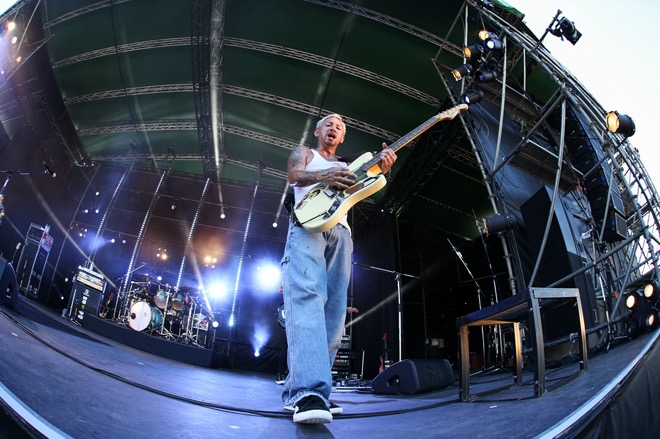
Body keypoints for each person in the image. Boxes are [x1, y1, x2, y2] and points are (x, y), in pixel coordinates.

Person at [281, 113, 396, 424]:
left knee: (334, 316)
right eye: (329, 124)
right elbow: (293, 176)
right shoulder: (305, 152)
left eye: (340, 127)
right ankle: (308, 392)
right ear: (318, 131)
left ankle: (308, 391)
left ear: (343, 137)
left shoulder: (349, 166)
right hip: (308, 225)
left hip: (341, 233)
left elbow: (367, 186)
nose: (334, 128)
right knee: (307, 299)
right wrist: (324, 175)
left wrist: (383, 168)